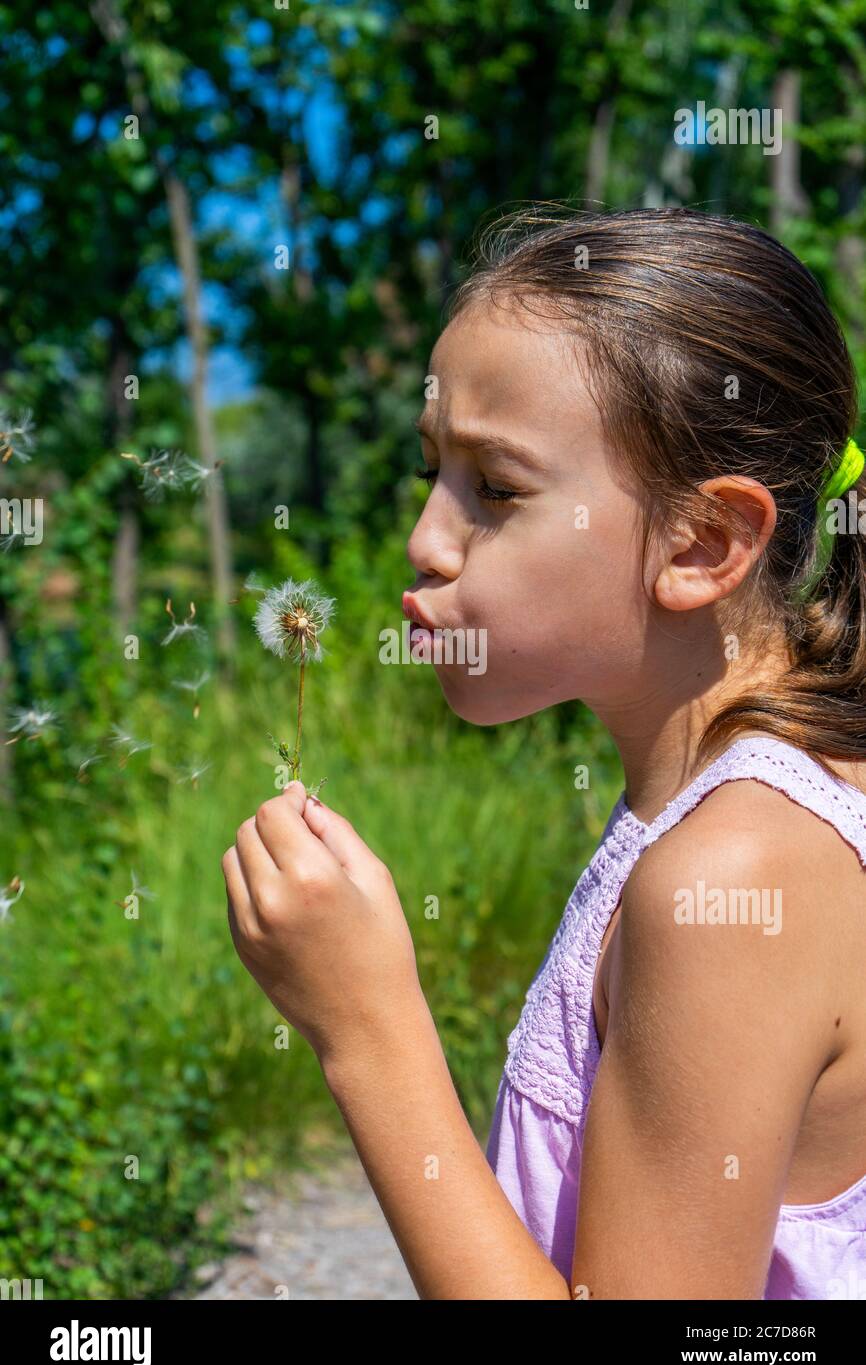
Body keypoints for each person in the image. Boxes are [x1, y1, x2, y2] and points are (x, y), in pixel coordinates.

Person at [223, 206, 866, 1299]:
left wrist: (365, 1028)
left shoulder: (732, 881)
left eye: (497, 488)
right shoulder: (720, 815)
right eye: (432, 471)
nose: (424, 539)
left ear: (700, 542)